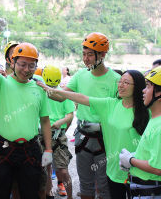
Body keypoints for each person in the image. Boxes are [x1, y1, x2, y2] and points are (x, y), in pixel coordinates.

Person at [38, 69, 150, 198]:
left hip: (138, 171)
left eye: (126, 82)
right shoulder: (110, 104)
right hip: (114, 171)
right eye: (120, 81)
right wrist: (52, 89)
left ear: (138, 87)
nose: (120, 85)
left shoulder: (147, 110)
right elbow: (82, 98)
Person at [42, 32, 119, 199]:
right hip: (83, 136)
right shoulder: (80, 75)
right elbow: (61, 96)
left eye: (90, 54)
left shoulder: (115, 80)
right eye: (84, 54)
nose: (85, 59)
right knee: (85, 185)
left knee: (104, 186)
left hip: (105, 137)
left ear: (103, 55)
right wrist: (42, 88)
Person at [0, 18, 52, 199]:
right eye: (22, 64)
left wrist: (49, 149)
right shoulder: (1, 84)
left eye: (31, 65)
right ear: (12, 63)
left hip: (30, 149)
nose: (26, 69)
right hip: (4, 148)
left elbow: (45, 120)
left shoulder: (39, 88)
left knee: (30, 194)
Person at [120, 66, 161, 199]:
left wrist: (130, 160)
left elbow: (159, 168)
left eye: (148, 86)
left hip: (152, 194)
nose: (143, 90)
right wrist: (135, 157)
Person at [42, 65, 75, 199]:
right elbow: (70, 116)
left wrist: (59, 125)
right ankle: (48, 192)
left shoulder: (62, 93)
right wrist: (62, 127)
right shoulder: (42, 91)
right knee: (46, 167)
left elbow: (70, 115)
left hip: (55, 134)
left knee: (61, 169)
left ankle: (69, 195)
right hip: (46, 133)